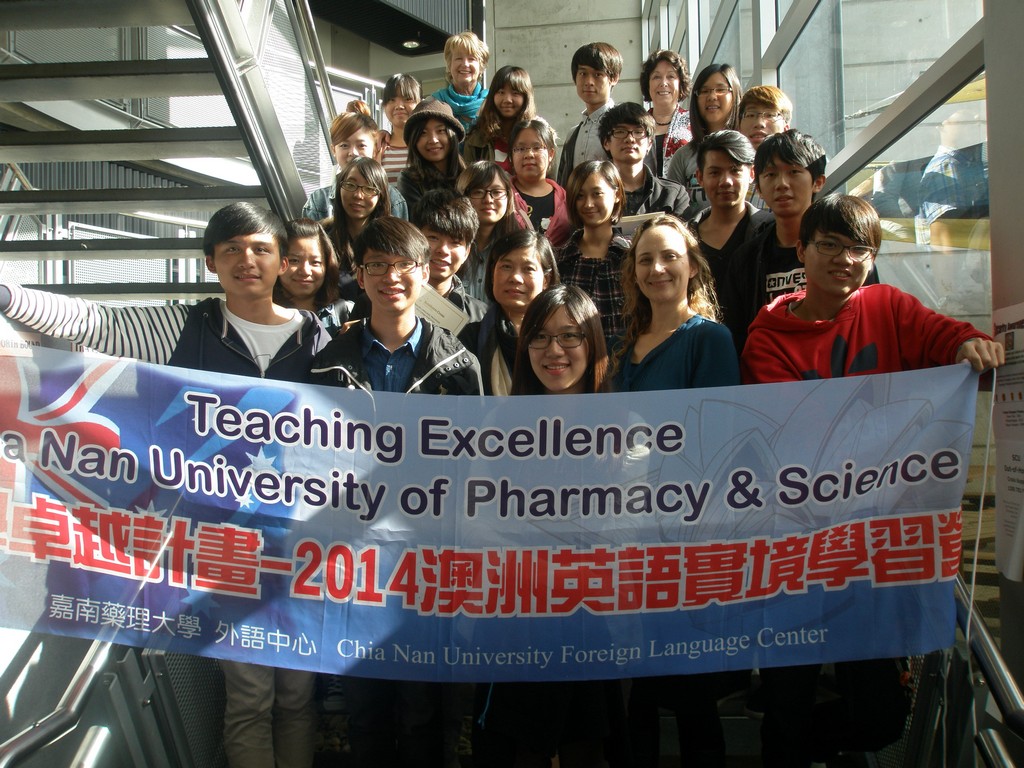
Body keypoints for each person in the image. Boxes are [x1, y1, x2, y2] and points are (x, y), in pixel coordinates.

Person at [0, 202, 330, 768]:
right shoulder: (185, 325)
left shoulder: (322, 343)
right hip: (219, 547)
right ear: (210, 263)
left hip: (307, 547)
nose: (246, 260)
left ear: (283, 261)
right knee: (250, 695)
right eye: (230, 250)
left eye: (260, 249)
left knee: (299, 696)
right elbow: (86, 323)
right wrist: (8, 297)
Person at [741, 194, 1003, 768]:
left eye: (860, 248)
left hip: (874, 556)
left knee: (881, 714)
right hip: (797, 555)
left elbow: (943, 335)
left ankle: (813, 745)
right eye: (830, 245)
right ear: (802, 252)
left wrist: (967, 345)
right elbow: (799, 435)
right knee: (786, 699)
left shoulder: (889, 306)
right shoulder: (767, 338)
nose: (845, 259)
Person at [309, 217, 481, 768]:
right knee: (365, 708)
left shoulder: (457, 365)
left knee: (426, 709)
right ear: (358, 276)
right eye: (376, 266)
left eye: (403, 265)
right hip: (353, 564)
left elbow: (474, 468)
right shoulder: (329, 365)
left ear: (425, 272)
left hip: (428, 563)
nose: (391, 277)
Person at [474, 285, 629, 768]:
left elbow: (638, 528)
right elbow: (476, 524)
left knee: (586, 747)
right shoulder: (498, 426)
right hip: (512, 617)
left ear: (594, 343)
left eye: (569, 336)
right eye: (539, 337)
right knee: (515, 749)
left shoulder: (629, 428)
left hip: (593, 616)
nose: (554, 351)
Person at [612, 215, 741, 768]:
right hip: (626, 537)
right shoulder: (622, 347)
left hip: (683, 541)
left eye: (669, 256)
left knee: (690, 691)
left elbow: (716, 440)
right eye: (645, 259)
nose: (657, 268)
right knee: (634, 686)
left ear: (692, 265)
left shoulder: (708, 339)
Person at [719, 129, 879, 355]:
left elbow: (871, 316)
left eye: (794, 172)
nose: (782, 184)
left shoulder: (851, 254)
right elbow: (735, 334)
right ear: (760, 189)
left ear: (818, 182)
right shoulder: (746, 258)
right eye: (770, 175)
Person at [459, 229, 558, 395]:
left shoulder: (562, 339)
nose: (515, 278)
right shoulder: (470, 339)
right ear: (492, 274)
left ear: (546, 280)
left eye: (528, 269)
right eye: (506, 266)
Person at [687, 130, 772, 291]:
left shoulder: (769, 231)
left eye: (735, 171)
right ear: (700, 177)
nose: (725, 181)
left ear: (752, 173)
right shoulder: (685, 239)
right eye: (715, 172)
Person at [557, 160, 630, 340]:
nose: (588, 204)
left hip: (627, 359)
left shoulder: (632, 255)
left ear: (617, 194)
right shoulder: (560, 260)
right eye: (580, 196)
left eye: (597, 193)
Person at [302, 103, 408, 220]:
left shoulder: (393, 200)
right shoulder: (319, 201)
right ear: (333, 150)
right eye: (344, 145)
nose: (353, 152)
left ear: (374, 150)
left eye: (361, 145)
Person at [666, 64, 743, 212]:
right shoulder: (683, 156)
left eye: (721, 89)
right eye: (704, 91)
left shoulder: (749, 151)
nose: (712, 96)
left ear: (735, 94)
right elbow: (673, 213)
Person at [599, 102, 690, 219]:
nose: (630, 139)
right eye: (620, 132)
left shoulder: (672, 195)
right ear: (606, 142)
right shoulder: (594, 195)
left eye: (638, 132)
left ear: (649, 143)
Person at [321, 156, 392, 305]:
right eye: (350, 185)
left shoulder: (394, 240)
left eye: (369, 189)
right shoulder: (322, 237)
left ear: (381, 196)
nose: (358, 195)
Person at [455, 160, 530, 301]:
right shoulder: (449, 247)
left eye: (496, 192)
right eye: (478, 192)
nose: (488, 199)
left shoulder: (519, 248)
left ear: (508, 197)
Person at [411, 188, 488, 323]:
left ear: (466, 252)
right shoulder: (384, 304)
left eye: (455, 242)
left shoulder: (481, 318)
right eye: (433, 238)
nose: (443, 250)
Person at [556, 42, 623, 188]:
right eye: (583, 74)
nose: (589, 82)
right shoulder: (572, 134)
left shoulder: (624, 127)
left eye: (598, 74)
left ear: (614, 78)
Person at [274, 217, 353, 336]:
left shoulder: (348, 313)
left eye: (315, 262)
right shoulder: (259, 318)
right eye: (294, 260)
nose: (305, 271)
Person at [509, 117, 572, 249]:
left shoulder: (567, 200)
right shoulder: (501, 197)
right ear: (511, 156)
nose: (529, 154)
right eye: (520, 149)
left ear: (551, 154)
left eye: (537, 147)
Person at [397, 98, 467, 211]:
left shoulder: (468, 176)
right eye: (423, 133)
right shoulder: (408, 180)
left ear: (453, 136)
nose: (433, 140)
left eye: (441, 131)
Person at [463, 65, 536, 170]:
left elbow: (548, 182)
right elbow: (469, 182)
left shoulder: (539, 136)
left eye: (515, 93)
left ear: (526, 98)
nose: (507, 99)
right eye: (501, 92)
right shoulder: (476, 139)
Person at [640, 48, 693, 177]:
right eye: (656, 77)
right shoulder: (637, 125)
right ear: (648, 84)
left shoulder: (693, 123)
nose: (663, 83)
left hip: (684, 196)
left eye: (671, 76)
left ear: (681, 84)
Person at [430, 30, 490, 133]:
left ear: (481, 66)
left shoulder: (491, 102)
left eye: (471, 59)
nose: (465, 64)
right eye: (458, 58)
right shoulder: (434, 103)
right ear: (449, 65)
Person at [376, 73, 422, 184]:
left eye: (407, 99)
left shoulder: (427, 145)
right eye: (392, 100)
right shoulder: (378, 147)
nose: (399, 106)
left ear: (420, 103)